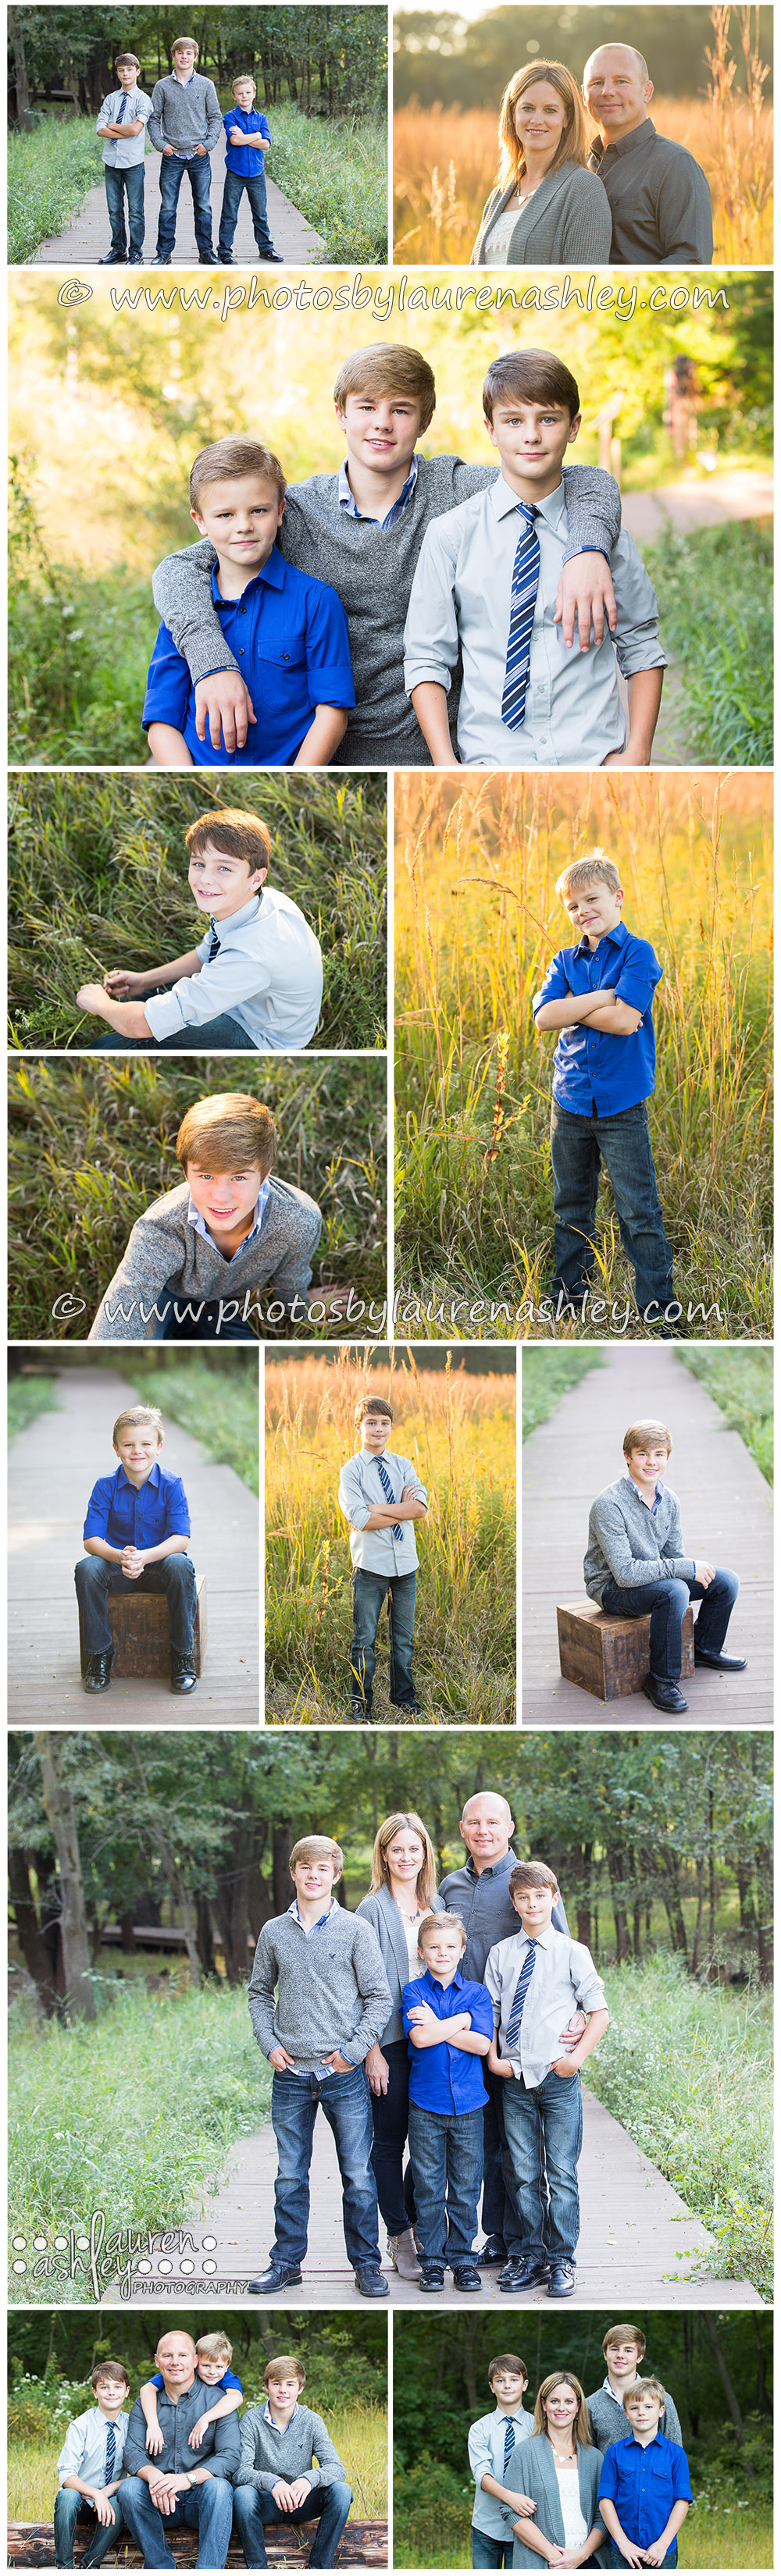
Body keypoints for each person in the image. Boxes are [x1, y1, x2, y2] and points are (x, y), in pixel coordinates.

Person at [150, 340, 623, 768]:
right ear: (341, 414)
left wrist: (586, 551)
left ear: (425, 420)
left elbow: (585, 480)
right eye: (366, 407)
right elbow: (178, 569)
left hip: (444, 748)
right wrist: (213, 664)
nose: (381, 422)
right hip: (321, 748)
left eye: (401, 409)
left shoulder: (457, 492)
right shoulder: (294, 512)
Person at [404, 347, 665, 770]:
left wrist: (637, 753)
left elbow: (641, 646)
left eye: (548, 418)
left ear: (574, 426)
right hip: (492, 761)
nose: (531, 436)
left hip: (591, 756)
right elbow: (426, 659)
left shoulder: (602, 537)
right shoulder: (451, 535)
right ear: (490, 429)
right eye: (513, 421)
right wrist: (446, 765)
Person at [143, 438, 355, 770]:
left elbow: (332, 711)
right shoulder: (186, 607)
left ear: (281, 511)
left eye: (258, 510)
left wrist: (295, 782)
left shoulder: (316, 600)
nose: (244, 526)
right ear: (199, 521)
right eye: (225, 515)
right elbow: (162, 718)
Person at [439, 1792, 582, 2280]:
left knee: (515, 2144)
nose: (484, 1830)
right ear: (462, 1830)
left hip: (521, 2043)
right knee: (486, 2140)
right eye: (474, 1822)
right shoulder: (450, 1886)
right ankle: (497, 2237)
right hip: (463, 2034)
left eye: (493, 1822)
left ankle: (527, 2245)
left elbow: (561, 1952)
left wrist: (581, 2018)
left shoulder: (529, 1883)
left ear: (510, 1827)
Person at [533, 852, 678, 1330]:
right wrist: (598, 997)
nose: (582, 912)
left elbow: (624, 1021)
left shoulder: (638, 953)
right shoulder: (564, 959)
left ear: (617, 898)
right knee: (571, 1205)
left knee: (639, 1209)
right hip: (570, 1101)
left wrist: (573, 1005)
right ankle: (568, 1304)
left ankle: (658, 1311)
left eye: (591, 899)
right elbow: (543, 1018)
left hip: (621, 1105)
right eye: (572, 906)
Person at [246, 1833, 392, 2298]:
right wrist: (269, 2044)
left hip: (342, 2073)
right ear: (293, 1873)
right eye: (305, 1867)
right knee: (291, 2174)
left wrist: (354, 2050)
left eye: (322, 1869)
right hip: (290, 2074)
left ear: (336, 1875)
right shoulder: (274, 1932)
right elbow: (258, 1994)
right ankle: (286, 2263)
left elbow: (378, 1997)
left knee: (358, 2173)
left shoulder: (355, 1930)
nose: (313, 1875)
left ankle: (367, 2265)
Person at [76, 806, 323, 1053]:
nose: (205, 879)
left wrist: (100, 1004)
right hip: (248, 999)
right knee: (141, 999)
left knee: (119, 1043)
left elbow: (141, 1025)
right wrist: (144, 980)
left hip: (260, 1033)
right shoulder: (258, 901)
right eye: (199, 864)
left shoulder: (251, 956)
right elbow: (207, 953)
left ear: (256, 878)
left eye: (224, 868)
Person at [87, 1092, 323, 1344]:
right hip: (165, 1298)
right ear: (187, 1174)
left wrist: (302, 1310)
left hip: (227, 1306)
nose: (221, 1197)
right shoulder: (159, 1228)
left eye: (239, 1177)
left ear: (265, 1175)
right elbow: (123, 1309)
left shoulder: (298, 1219)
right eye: (206, 1176)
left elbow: (291, 1279)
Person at [485, 1860, 609, 2298]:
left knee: (560, 2171)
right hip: (515, 2077)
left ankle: (562, 2261)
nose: (532, 1904)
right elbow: (494, 2015)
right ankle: (531, 2257)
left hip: (558, 2076)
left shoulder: (572, 1952)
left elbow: (599, 2011)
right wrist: (496, 2059)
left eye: (540, 1896)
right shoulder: (502, 1954)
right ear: (514, 1903)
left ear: (554, 1899)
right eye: (523, 1898)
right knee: (520, 2171)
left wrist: (575, 2059)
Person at [584, 1417, 745, 1716]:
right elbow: (626, 1574)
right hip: (611, 1587)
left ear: (667, 1457)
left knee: (725, 1581)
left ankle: (705, 1649)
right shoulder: (609, 1503)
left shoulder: (669, 1500)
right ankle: (661, 1681)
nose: (651, 1462)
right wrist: (684, 1568)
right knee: (672, 1591)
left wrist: (690, 1568)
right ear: (627, 1457)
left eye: (659, 1455)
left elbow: (674, 1556)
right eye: (643, 1454)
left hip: (646, 1579)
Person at [357, 1809, 445, 2280]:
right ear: (384, 1856)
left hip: (437, 2043)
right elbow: (357, 1985)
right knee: (390, 2143)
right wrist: (371, 2049)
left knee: (435, 2136)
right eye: (397, 1850)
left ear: (425, 1853)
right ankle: (400, 2236)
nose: (406, 1857)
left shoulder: (440, 1902)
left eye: (414, 1848)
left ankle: (421, 2222)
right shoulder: (371, 1909)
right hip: (390, 2042)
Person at [73, 1402, 197, 1697]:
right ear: (116, 1448)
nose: (137, 1451)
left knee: (181, 1564)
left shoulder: (172, 1485)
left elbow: (181, 1539)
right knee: (86, 1569)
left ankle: (182, 1656)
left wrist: (146, 1556)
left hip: (158, 1568)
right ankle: (100, 1657)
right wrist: (120, 1557)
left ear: (159, 1447)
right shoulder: (104, 1487)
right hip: (117, 1569)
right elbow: (91, 1541)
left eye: (145, 1444)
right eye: (128, 1444)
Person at [402, 1909, 494, 2292]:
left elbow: (483, 2044)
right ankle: (434, 2261)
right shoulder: (413, 1992)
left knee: (467, 2185)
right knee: (427, 2183)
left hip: (470, 2104)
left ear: (462, 1951)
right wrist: (461, 2021)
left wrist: (440, 2025)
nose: (442, 1953)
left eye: (450, 1947)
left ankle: (463, 2259)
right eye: (434, 1947)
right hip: (426, 2103)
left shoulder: (478, 1993)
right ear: (422, 1951)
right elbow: (420, 2039)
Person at [116, 2329, 239, 2567]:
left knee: (220, 2488)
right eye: (167, 2356)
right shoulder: (146, 2403)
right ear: (157, 2360)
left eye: (183, 2356)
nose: (175, 2363)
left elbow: (231, 2455)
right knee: (130, 2488)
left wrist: (188, 2479)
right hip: (159, 2500)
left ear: (195, 2361)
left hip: (200, 2500)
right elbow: (132, 2452)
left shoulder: (219, 2400)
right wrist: (156, 2479)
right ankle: (163, 2568)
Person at [338, 1393, 428, 1720]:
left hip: (406, 1566)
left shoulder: (404, 1465)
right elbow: (360, 1520)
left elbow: (419, 1508)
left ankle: (403, 1697)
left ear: (391, 1427)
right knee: (364, 1639)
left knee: (403, 1639)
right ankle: (360, 1701)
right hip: (371, 1567)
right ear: (358, 1426)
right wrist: (398, 1512)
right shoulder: (350, 1472)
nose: (379, 1429)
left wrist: (378, 1508)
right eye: (371, 1423)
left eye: (385, 1423)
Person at [471, 62, 611, 265]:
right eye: (527, 108)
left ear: (567, 118)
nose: (537, 120)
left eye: (550, 110)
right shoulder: (500, 194)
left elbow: (585, 285)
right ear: (513, 114)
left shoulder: (584, 189)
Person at [583, 44, 713, 265]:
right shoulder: (578, 166)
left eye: (621, 81)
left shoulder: (674, 164)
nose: (607, 91)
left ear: (647, 91)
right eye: (596, 83)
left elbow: (691, 260)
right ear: (583, 94)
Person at [233, 2352, 352, 2570]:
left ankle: (318, 2568)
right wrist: (273, 2483)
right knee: (242, 2494)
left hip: (301, 2501)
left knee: (342, 2492)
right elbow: (240, 2472)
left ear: (301, 2388)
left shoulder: (312, 2421)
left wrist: (309, 2479)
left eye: (290, 2384)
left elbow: (337, 2468)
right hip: (266, 2501)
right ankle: (258, 2569)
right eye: (276, 2383)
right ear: (267, 2386)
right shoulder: (250, 2420)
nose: (283, 2390)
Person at [506, 2372, 607, 2568]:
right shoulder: (524, 2453)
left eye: (569, 2401)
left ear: (578, 2406)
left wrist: (582, 2555)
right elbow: (511, 2512)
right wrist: (555, 2557)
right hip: (543, 2562)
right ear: (544, 2405)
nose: (561, 2408)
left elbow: (602, 2516)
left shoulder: (594, 2458)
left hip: (590, 2561)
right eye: (554, 2401)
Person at [597, 2380, 692, 2567]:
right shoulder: (615, 2453)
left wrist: (663, 2544)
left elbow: (682, 2501)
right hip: (623, 2550)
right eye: (634, 2408)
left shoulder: (676, 2454)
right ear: (626, 2413)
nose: (641, 2412)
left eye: (649, 2407)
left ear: (661, 2411)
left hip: (663, 2551)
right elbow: (605, 2501)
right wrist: (623, 2544)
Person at [148, 34, 223, 267]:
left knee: (203, 206)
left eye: (188, 53)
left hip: (199, 155)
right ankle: (163, 253)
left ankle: (206, 252)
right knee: (168, 206)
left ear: (195, 57)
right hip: (172, 156)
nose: (184, 56)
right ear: (174, 56)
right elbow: (153, 119)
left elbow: (215, 117)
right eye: (180, 53)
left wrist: (209, 144)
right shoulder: (162, 86)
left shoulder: (206, 85)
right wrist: (161, 145)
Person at [55, 2361, 130, 2568]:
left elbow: (141, 2473)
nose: (111, 2392)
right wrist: (96, 2494)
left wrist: (108, 2490)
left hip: (110, 2506)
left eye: (117, 2387)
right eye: (104, 2387)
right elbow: (67, 2475)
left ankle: (90, 2566)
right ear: (95, 2392)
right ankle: (64, 2567)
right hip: (81, 2502)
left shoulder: (133, 2426)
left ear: (126, 2391)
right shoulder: (80, 2426)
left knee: (121, 2501)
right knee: (67, 2496)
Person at [469, 2354, 536, 2570]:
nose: (507, 2385)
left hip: (527, 2527)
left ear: (524, 2385)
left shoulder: (538, 2429)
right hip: (486, 2527)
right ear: (492, 2387)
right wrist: (510, 2498)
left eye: (514, 2379)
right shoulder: (480, 2428)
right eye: (500, 2380)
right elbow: (482, 2475)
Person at [141, 2332, 242, 2456]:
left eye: (219, 2367)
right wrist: (153, 2426)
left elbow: (236, 2397)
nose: (212, 2372)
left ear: (227, 2366)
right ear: (196, 2362)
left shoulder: (227, 2377)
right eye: (205, 2365)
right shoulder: (182, 2373)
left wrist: (205, 2419)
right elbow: (146, 2390)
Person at [587, 2327, 683, 2457]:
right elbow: (591, 2460)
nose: (620, 2355)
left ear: (640, 2357)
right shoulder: (590, 2405)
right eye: (614, 2349)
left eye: (628, 2350)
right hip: (609, 2477)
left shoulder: (661, 2399)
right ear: (605, 2354)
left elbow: (675, 2453)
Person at [217, 73, 282, 265]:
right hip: (235, 173)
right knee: (229, 213)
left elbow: (266, 145)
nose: (244, 96)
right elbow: (235, 141)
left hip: (257, 173)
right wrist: (256, 135)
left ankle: (266, 248)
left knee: (260, 213)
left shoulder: (261, 118)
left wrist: (247, 136)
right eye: (240, 93)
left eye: (247, 92)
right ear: (234, 97)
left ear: (254, 93)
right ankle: (225, 251)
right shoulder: (230, 117)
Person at [95, 52, 153, 266]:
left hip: (133, 164)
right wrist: (124, 130)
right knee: (114, 209)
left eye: (129, 70)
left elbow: (136, 129)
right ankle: (118, 249)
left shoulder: (143, 100)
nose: (125, 73)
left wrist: (113, 125)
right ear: (117, 74)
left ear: (137, 71)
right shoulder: (111, 99)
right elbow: (100, 130)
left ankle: (136, 252)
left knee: (135, 210)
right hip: (111, 161)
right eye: (121, 70)